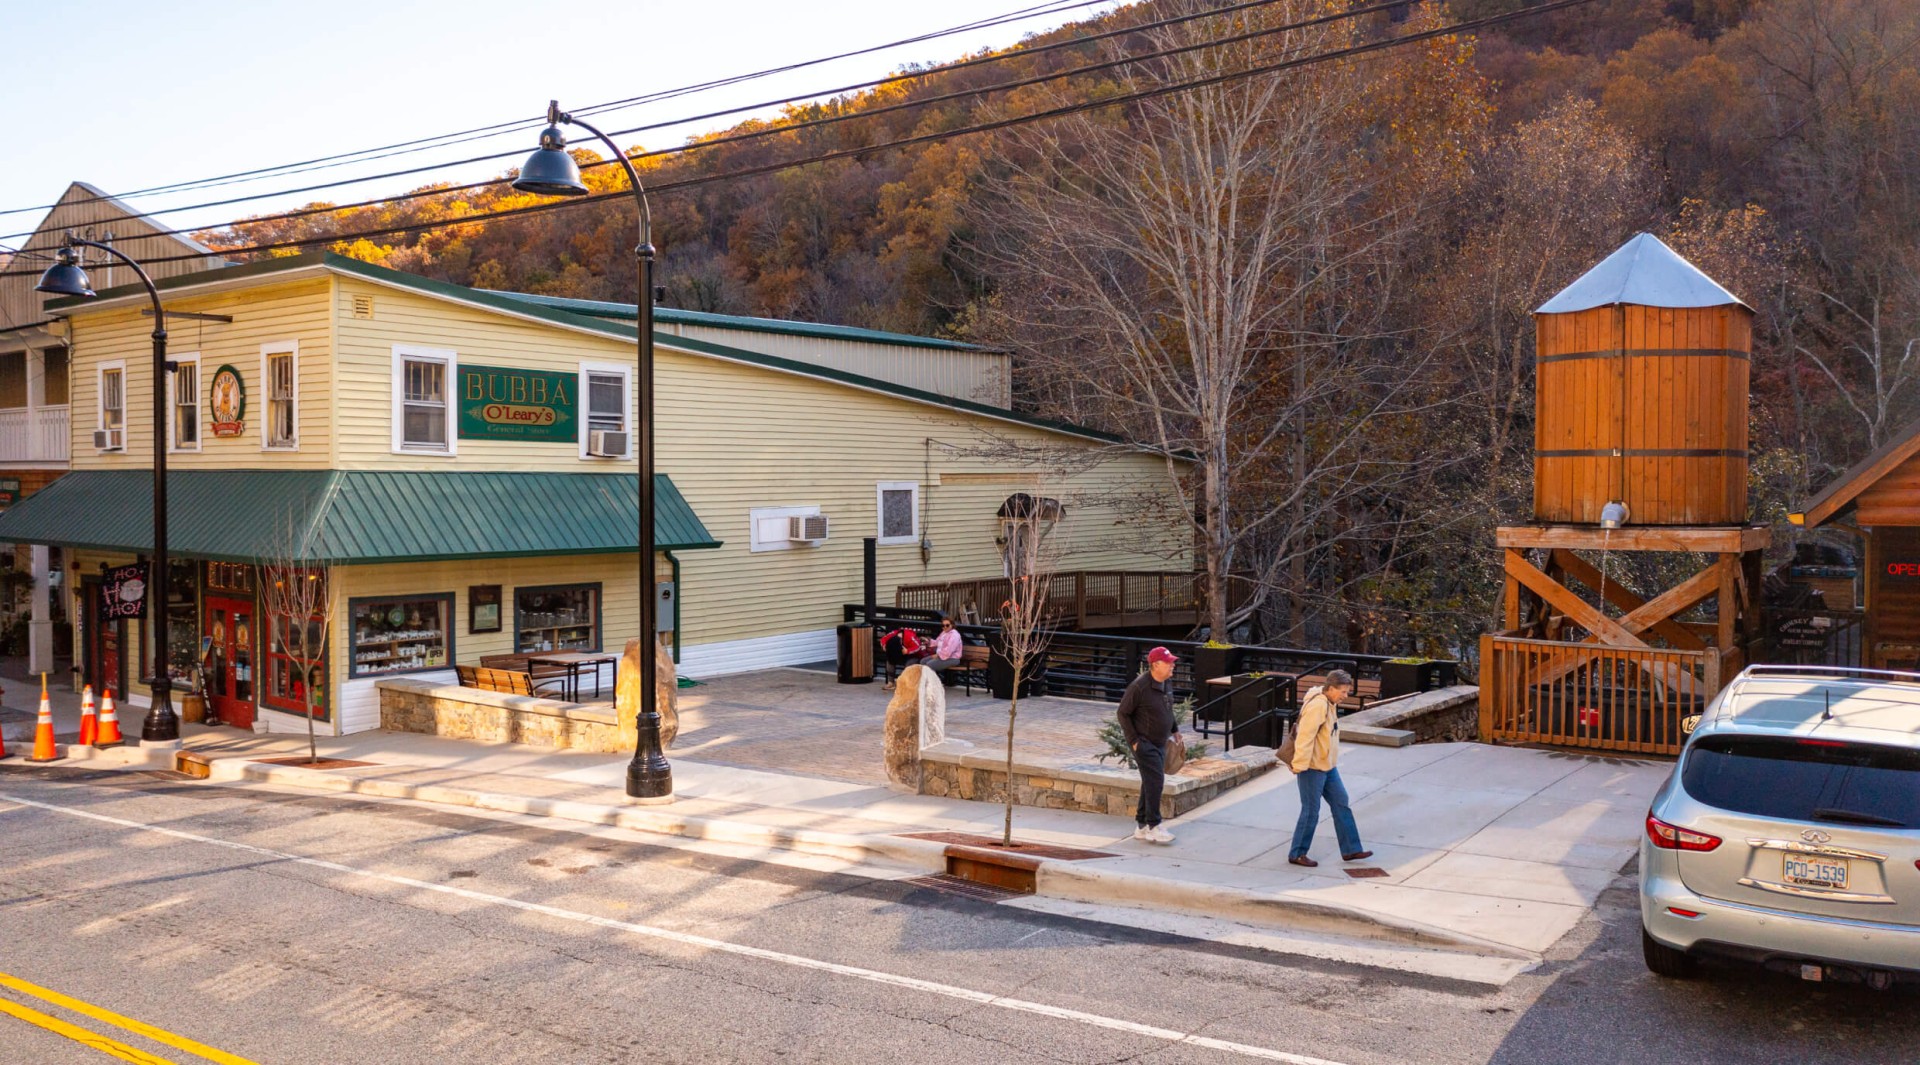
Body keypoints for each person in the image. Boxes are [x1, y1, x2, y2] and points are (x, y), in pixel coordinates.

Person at [1287, 669, 1372, 867]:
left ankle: (1351, 849)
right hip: (1312, 767)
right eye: (1343, 691)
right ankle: (1297, 853)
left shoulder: (1329, 702)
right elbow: (1305, 737)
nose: (1346, 695)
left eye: (1347, 691)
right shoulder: (1318, 706)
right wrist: (1299, 765)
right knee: (1311, 810)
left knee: (1341, 802)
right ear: (1331, 688)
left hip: (1328, 766)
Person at [1116, 646, 1182, 843]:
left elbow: (1168, 707)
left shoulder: (1166, 683)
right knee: (1156, 781)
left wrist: (1174, 729)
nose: (1173, 666)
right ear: (1156, 665)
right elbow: (1122, 713)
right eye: (1169, 662)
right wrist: (1134, 741)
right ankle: (1154, 825)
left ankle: (1142, 826)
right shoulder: (1139, 687)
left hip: (1161, 742)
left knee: (1149, 782)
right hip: (1144, 743)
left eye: (1172, 662)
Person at [877, 626, 925, 691]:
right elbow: (883, 639)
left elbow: (917, 647)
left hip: (913, 655)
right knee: (890, 660)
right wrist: (884, 645)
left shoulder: (910, 637)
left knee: (909, 665)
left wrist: (907, 651)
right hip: (899, 653)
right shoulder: (893, 634)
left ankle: (906, 684)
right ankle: (891, 682)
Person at [921, 615, 964, 681]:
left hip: (953, 658)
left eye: (947, 625)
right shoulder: (944, 633)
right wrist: (928, 641)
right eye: (943, 625)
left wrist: (937, 655)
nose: (945, 627)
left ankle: (933, 684)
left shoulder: (954, 635)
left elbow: (948, 652)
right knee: (923, 661)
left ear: (952, 625)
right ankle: (929, 683)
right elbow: (937, 642)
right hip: (942, 656)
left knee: (929, 664)